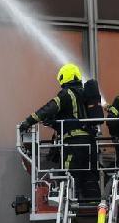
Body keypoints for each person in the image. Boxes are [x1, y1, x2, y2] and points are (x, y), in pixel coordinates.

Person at [21, 63, 102, 202]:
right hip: (90, 143)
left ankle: (71, 202)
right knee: (90, 174)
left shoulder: (66, 94)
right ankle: (94, 204)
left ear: (64, 77)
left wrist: (28, 121)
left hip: (74, 144)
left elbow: (49, 108)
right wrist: (54, 123)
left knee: (69, 173)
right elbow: (73, 118)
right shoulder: (86, 94)